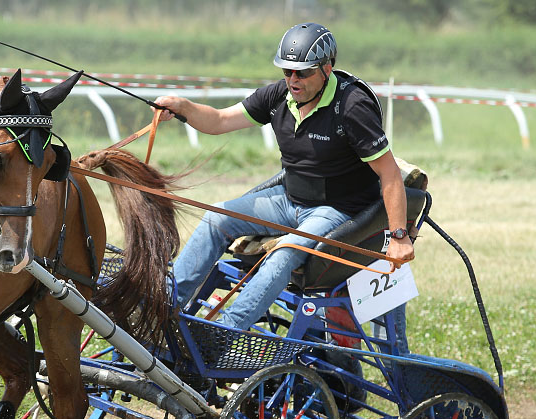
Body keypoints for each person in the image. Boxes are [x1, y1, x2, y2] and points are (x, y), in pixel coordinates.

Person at [155, 22, 414, 329]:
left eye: (302, 72)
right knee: (216, 218)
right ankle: (162, 310)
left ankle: (222, 334)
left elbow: (390, 173)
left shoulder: (352, 107)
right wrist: (184, 106)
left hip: (337, 210)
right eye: (286, 71)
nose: (293, 79)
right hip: (289, 200)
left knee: (283, 254)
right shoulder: (280, 96)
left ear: (326, 69)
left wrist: (399, 237)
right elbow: (221, 120)